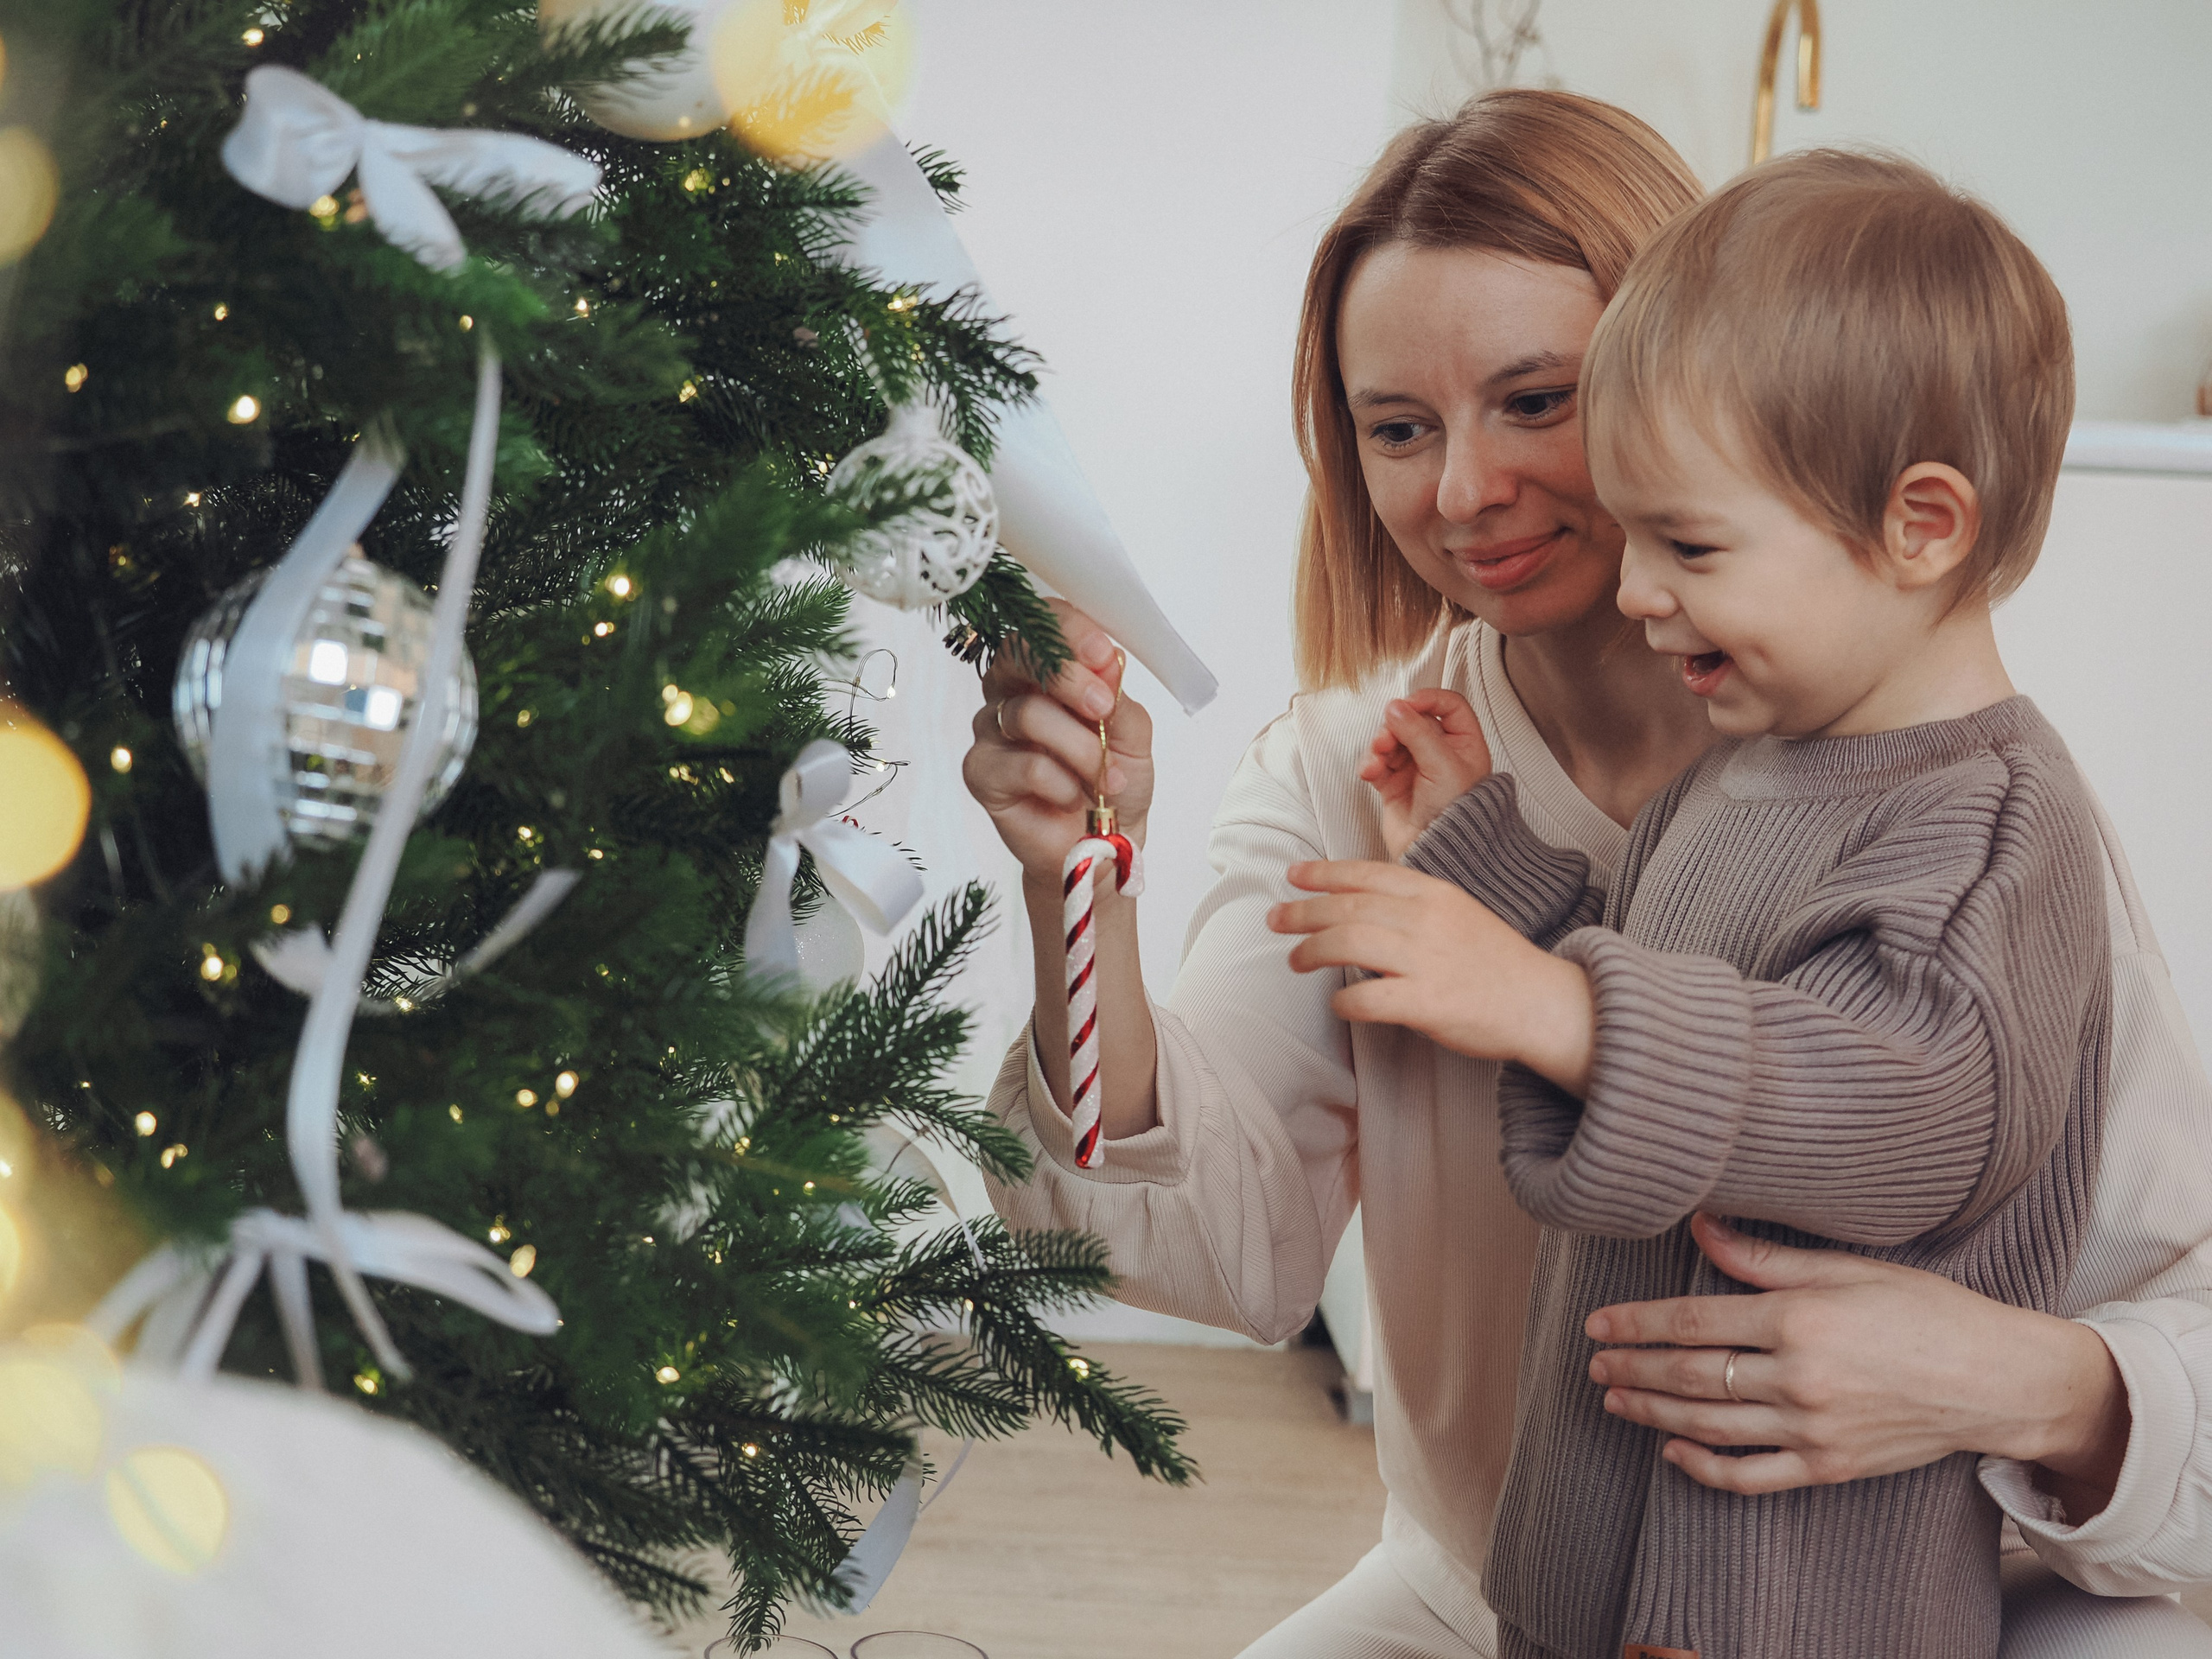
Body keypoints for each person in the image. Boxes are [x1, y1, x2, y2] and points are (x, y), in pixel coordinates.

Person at [961, 89, 2212, 1656]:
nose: (1463, 492)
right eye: (1398, 428)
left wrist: (2005, 1380)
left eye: (1536, 402)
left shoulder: (1964, 811)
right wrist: (1078, 880)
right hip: (1516, 1588)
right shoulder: (1372, 768)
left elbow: (2005, 1167)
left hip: (1887, 1594)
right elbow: (1199, 1240)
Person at [1271, 149, 2107, 1659]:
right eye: (1637, 533)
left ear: (1923, 526)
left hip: (1796, 1601)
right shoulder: (1748, 775)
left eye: (1692, 546)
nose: (1641, 594)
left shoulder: (1996, 826)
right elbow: (1668, 1007)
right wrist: (1481, 862)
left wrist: (1556, 1004)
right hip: (1597, 1566)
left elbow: (1893, 1103)